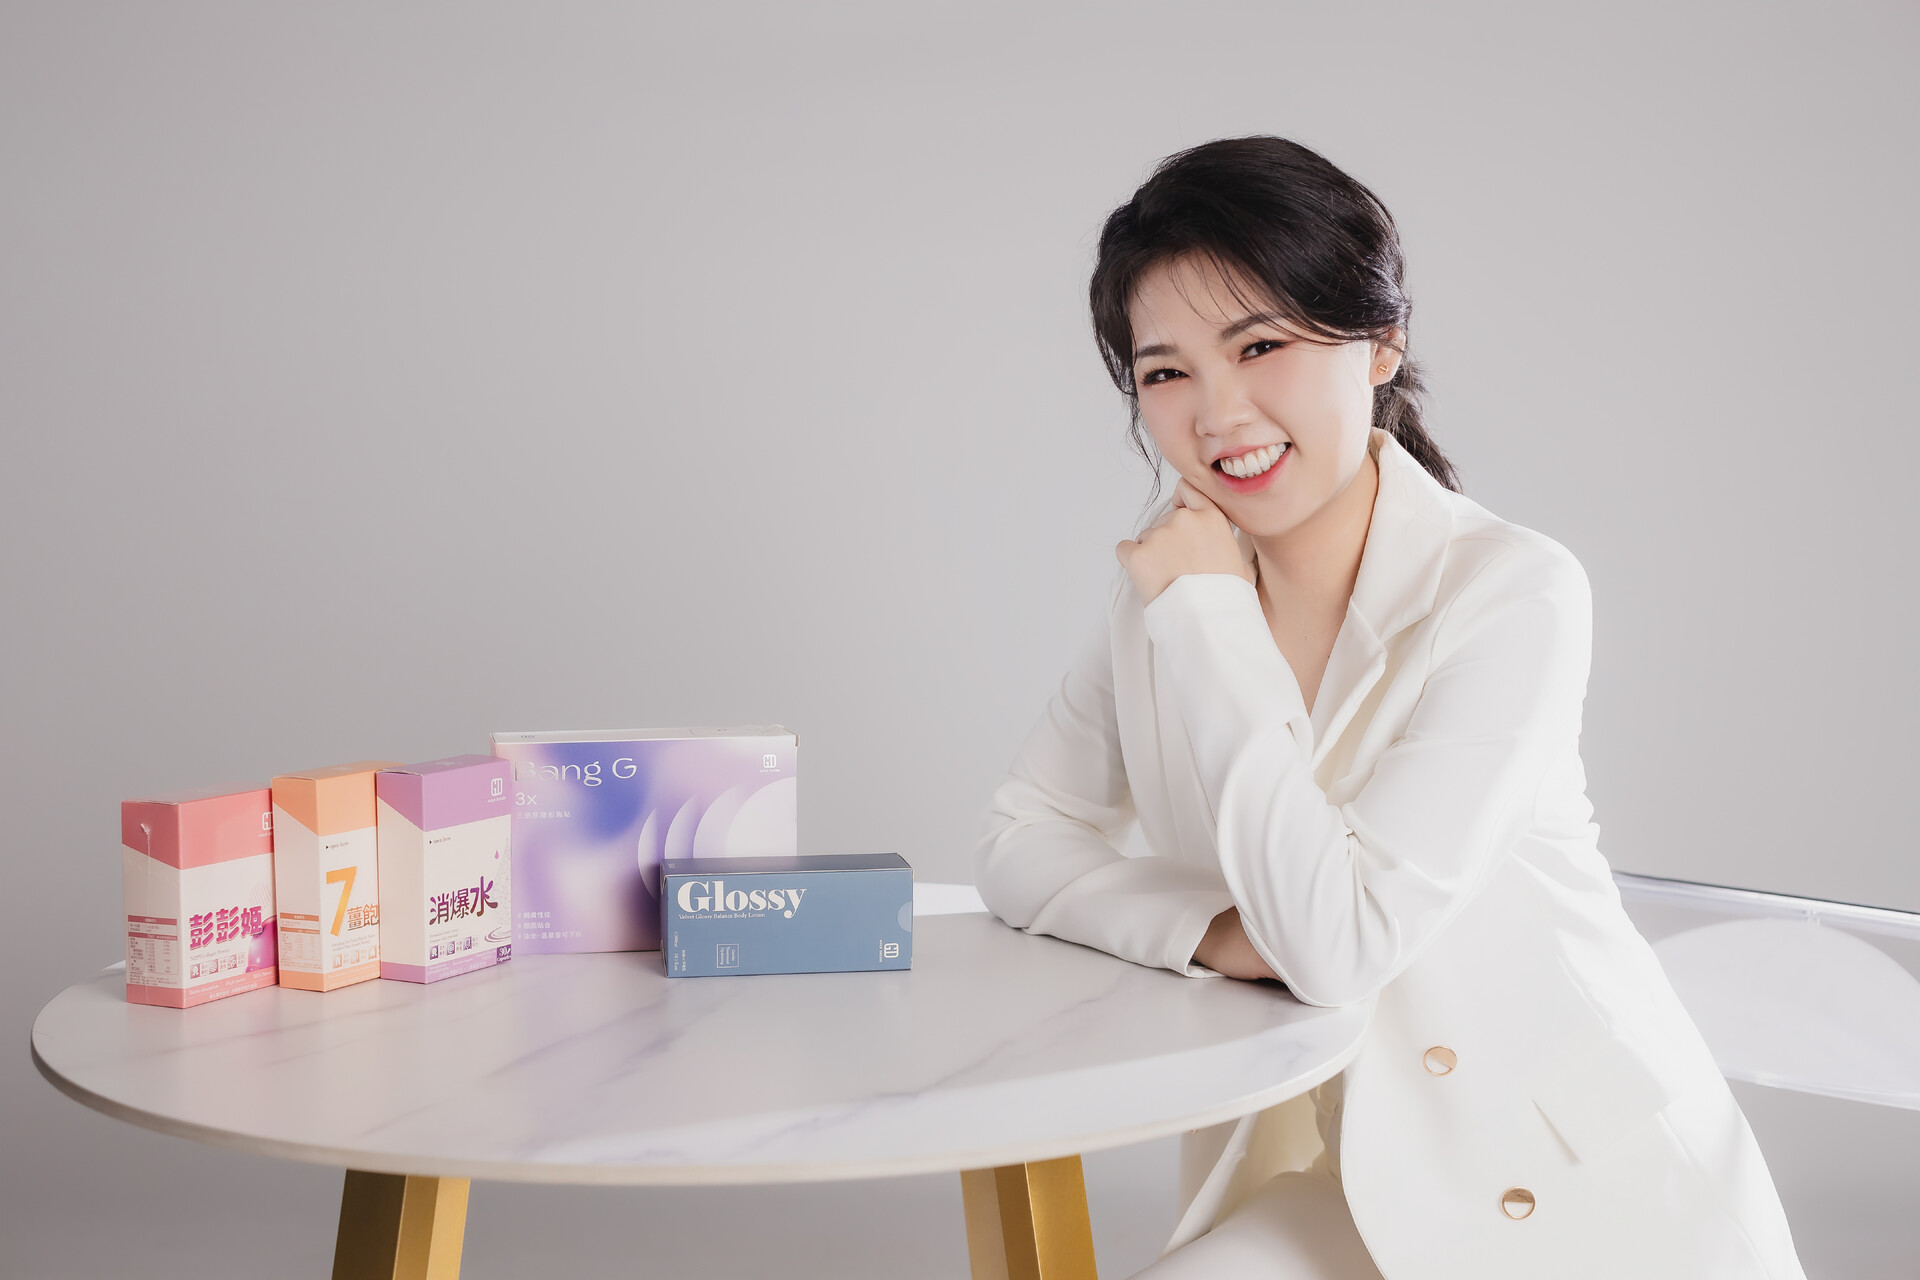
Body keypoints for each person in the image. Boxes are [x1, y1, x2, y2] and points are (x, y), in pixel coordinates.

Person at [972, 136, 1805, 1279]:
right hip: (1352, 1183)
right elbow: (1018, 837)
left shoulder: (1510, 591)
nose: (1218, 414)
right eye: (1165, 373)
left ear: (1380, 341)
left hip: (1587, 1201)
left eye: (1259, 345)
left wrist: (1208, 620)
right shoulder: (1163, 598)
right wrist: (1211, 930)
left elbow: (1338, 942)